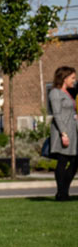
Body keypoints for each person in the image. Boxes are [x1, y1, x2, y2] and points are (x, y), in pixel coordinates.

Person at [47, 66, 77, 201]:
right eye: (73, 78)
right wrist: (63, 134)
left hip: (72, 129)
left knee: (75, 161)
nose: (74, 81)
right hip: (62, 131)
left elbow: (69, 111)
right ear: (65, 78)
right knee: (63, 161)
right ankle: (61, 193)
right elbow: (57, 114)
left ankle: (63, 191)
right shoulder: (55, 93)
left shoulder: (68, 92)